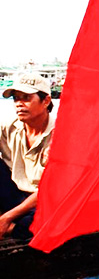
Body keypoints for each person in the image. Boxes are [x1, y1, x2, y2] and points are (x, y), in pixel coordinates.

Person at [0, 73, 55, 240]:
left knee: (52, 222)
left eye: (26, 98)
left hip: (44, 202)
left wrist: (7, 217)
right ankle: (16, 228)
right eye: (16, 99)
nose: (19, 104)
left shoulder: (61, 136)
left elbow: (51, 190)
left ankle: (11, 229)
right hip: (15, 196)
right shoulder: (9, 128)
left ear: (45, 101)